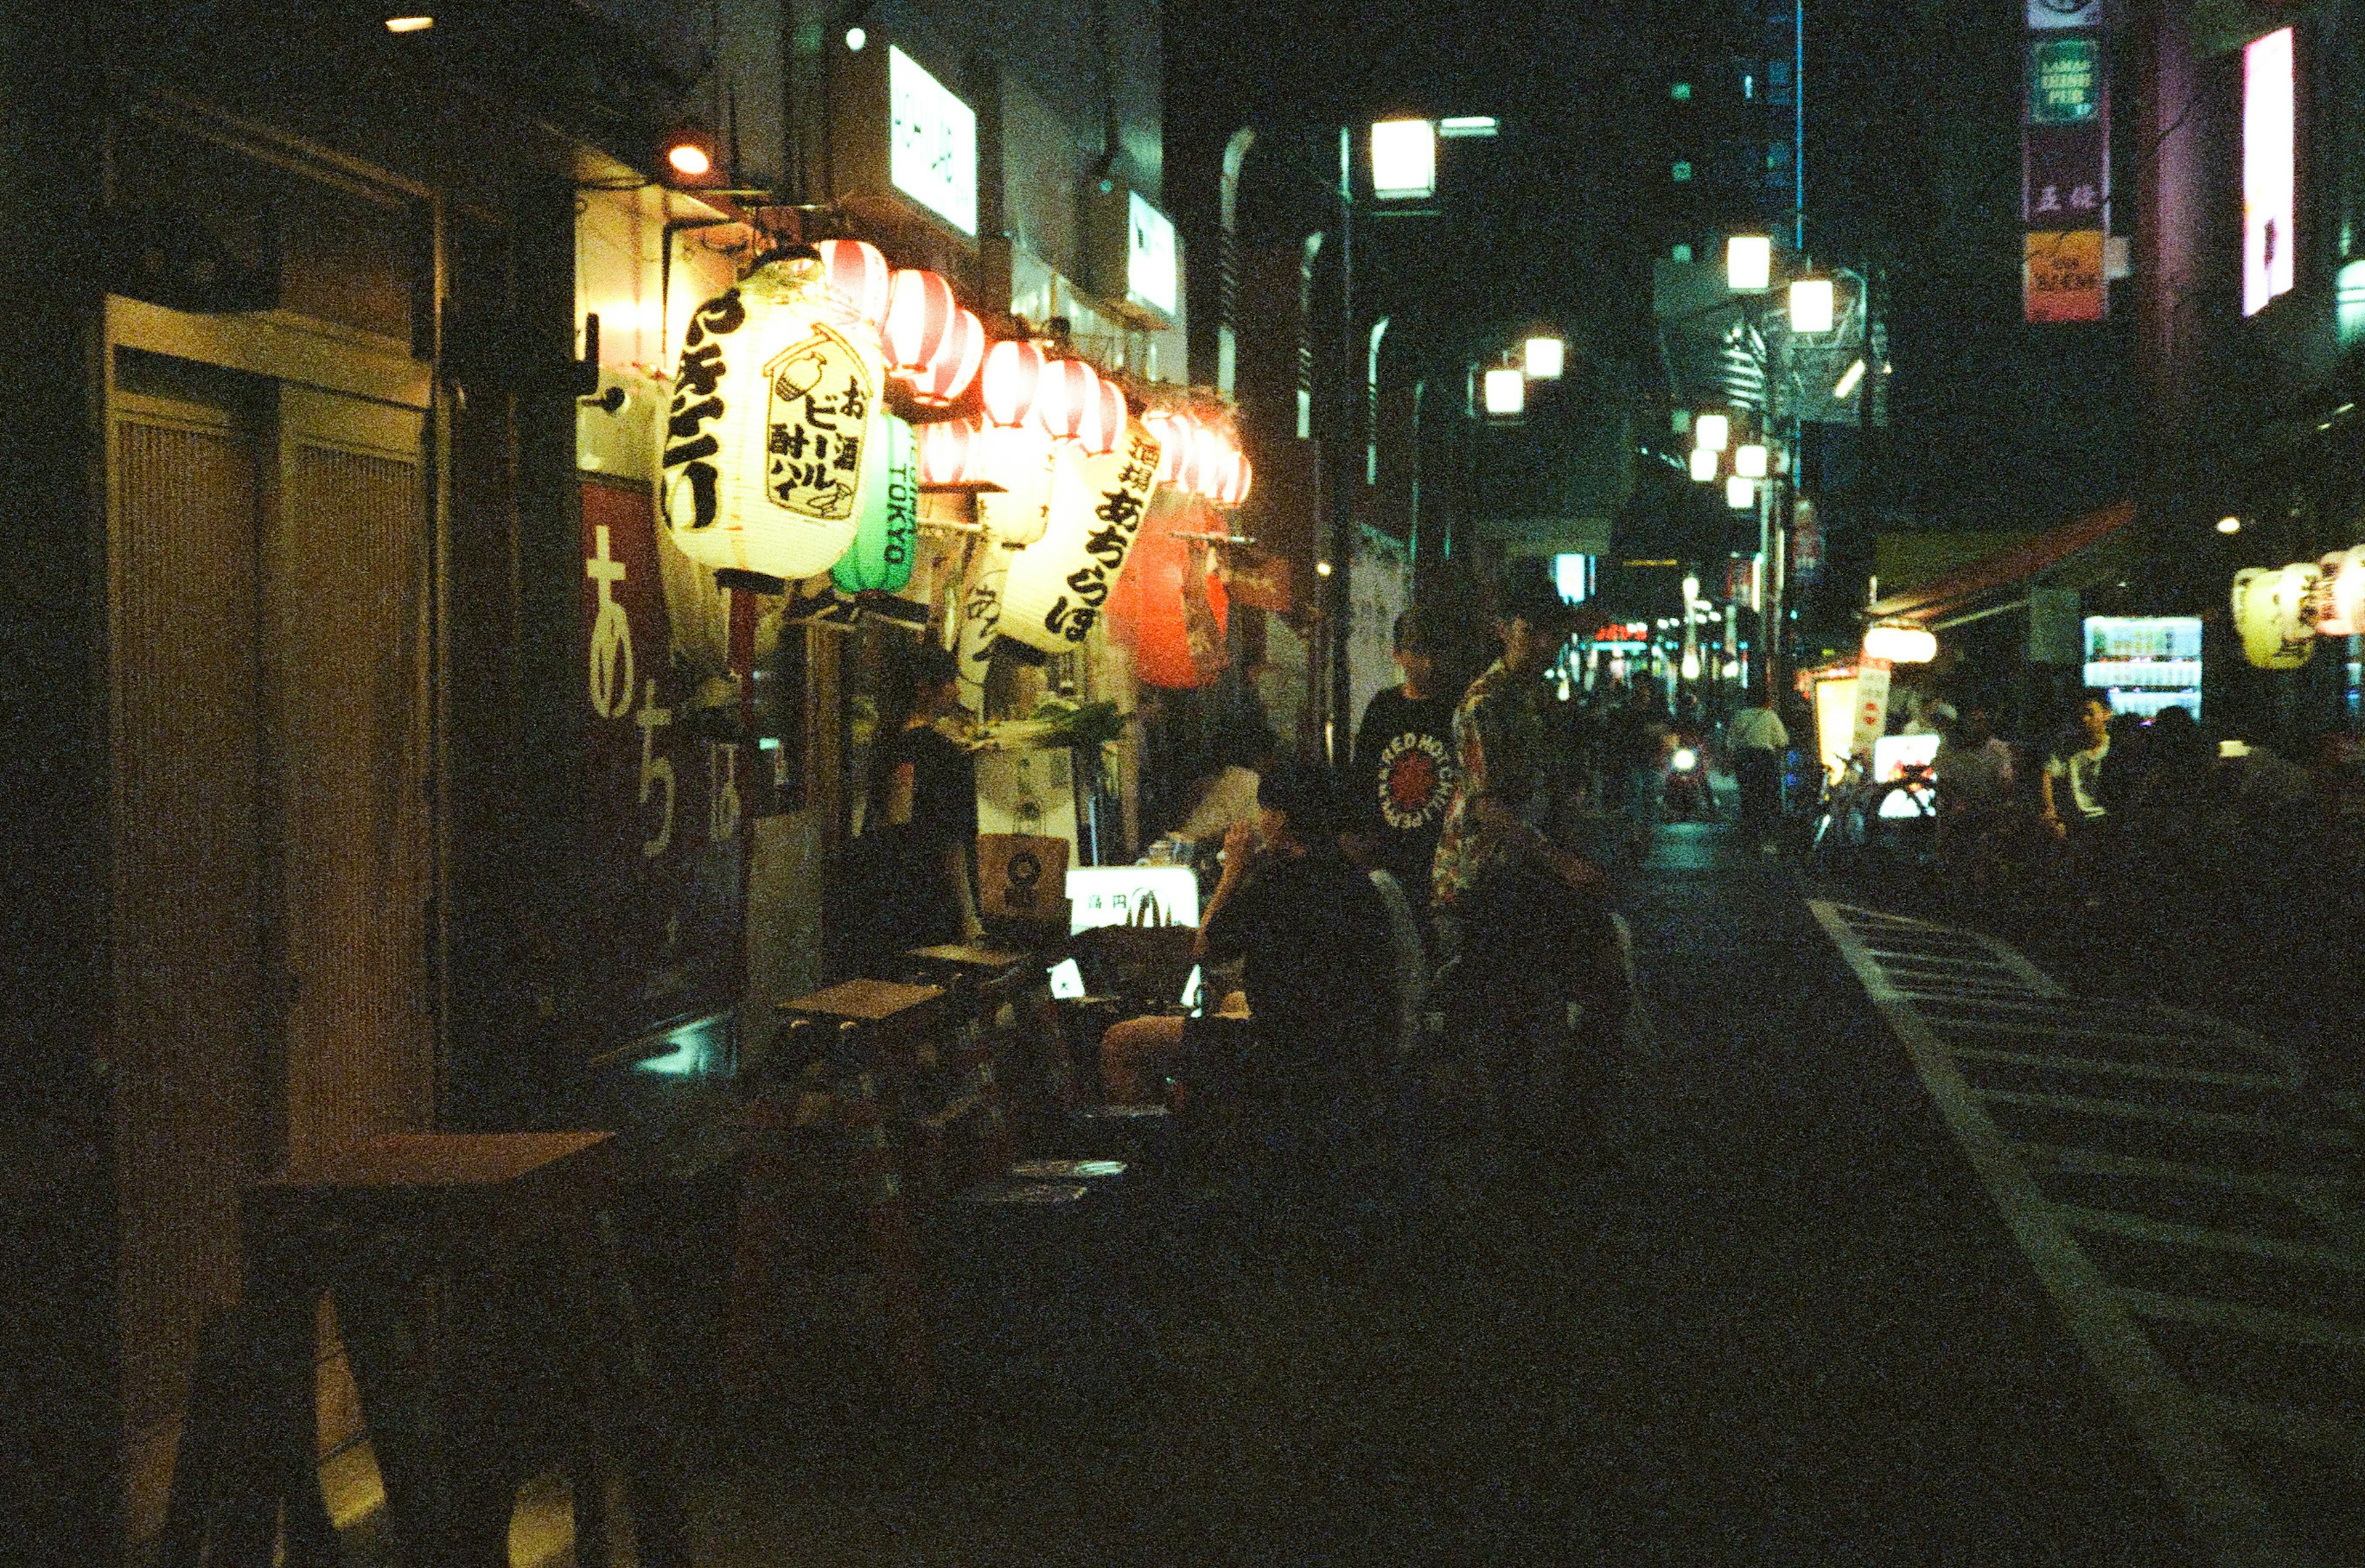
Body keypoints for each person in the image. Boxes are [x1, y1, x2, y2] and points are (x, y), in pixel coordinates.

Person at [1431, 578, 1620, 1186]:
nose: (1546, 642)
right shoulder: (1485, 701)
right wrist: (1564, 863)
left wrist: (1579, 843)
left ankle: (1559, 1124)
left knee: (1569, 989)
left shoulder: (1536, 697)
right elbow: (1490, 809)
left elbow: (1550, 791)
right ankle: (1519, 1144)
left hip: (1531, 872)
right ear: (1503, 628)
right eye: (1533, 629)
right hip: (1488, 876)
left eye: (1552, 631)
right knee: (1508, 1009)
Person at [1099, 761, 1394, 1117]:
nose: (1259, 822)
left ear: (1281, 819)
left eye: (1264, 811)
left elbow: (1203, 946)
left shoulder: (1283, 881)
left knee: (1123, 1041)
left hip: (1288, 1053)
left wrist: (1234, 870)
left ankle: (1147, 1157)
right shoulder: (1348, 875)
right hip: (1349, 1049)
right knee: (1234, 1000)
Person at [849, 643, 982, 971]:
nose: (957, 690)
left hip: (882, 888)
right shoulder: (945, 754)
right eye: (951, 681)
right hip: (931, 892)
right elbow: (952, 842)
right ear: (925, 689)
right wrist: (968, 914)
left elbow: (879, 819)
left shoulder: (884, 745)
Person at [1349, 604, 1461, 919]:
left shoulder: (1459, 708)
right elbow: (1364, 777)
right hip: (1389, 852)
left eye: (1437, 652)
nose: (1429, 664)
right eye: (1418, 652)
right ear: (1398, 654)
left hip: (1442, 856)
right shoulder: (1383, 709)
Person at [1726, 681, 1790, 854]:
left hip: (1745, 760)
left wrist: (1729, 763)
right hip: (1765, 759)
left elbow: (1731, 743)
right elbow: (1782, 741)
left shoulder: (1739, 716)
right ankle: (1768, 838)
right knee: (1769, 797)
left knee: (1748, 797)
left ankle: (1750, 836)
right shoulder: (1770, 716)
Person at [2040, 692, 2112, 839]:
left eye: (2090, 713)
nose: (2085, 719)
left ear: (2107, 714)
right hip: (2076, 821)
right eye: (2082, 715)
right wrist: (2051, 812)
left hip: (2106, 820)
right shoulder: (2068, 749)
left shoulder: (2115, 749)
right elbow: (2048, 774)